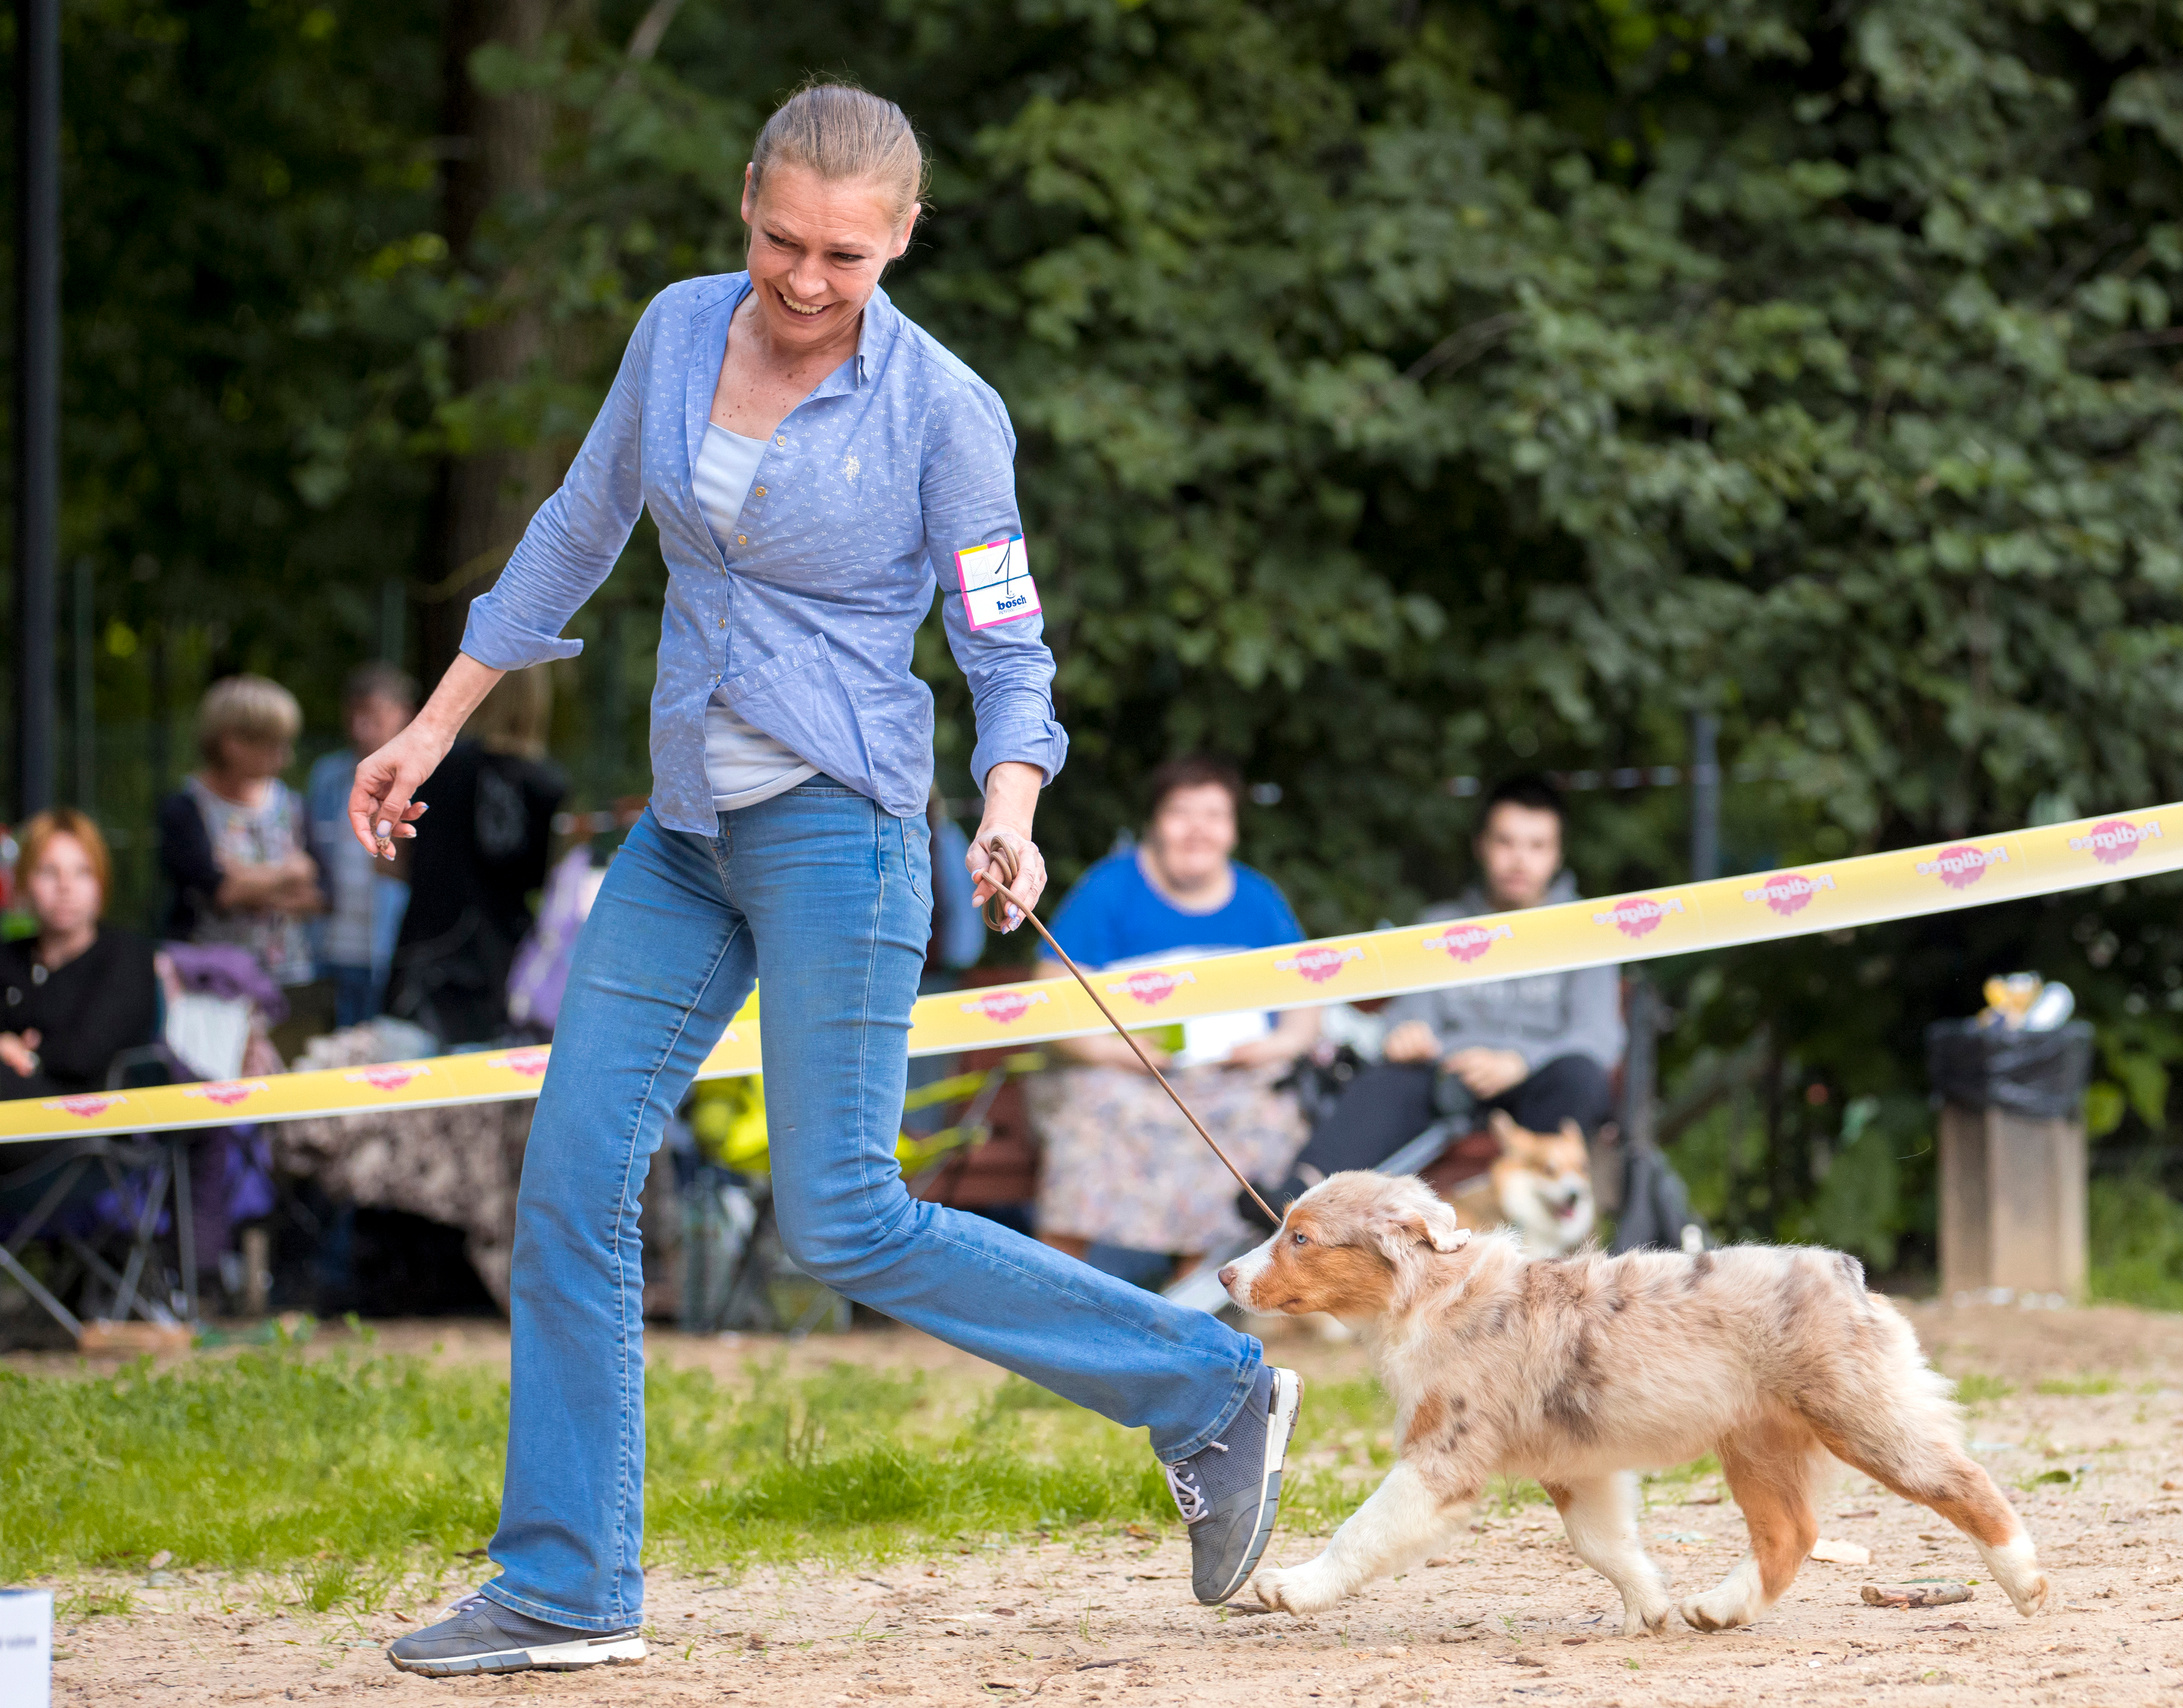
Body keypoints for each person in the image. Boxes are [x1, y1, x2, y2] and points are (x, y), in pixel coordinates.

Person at [354, 83, 1299, 1679]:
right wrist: (435, 731)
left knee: (841, 1216)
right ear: (745, 202)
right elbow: (581, 526)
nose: (805, 279)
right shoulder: (673, 331)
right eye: (782, 239)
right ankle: (569, 1584)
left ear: (905, 235)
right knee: (569, 1186)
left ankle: (1206, 1384)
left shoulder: (945, 410)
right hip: (682, 832)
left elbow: (1006, 642)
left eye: (845, 257)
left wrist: (1013, 802)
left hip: (845, 826)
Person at [1027, 756, 1318, 1285]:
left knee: (1265, 1115)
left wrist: (1277, 1047)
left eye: (1214, 814)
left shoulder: (1259, 900)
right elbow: (1052, 996)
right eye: (1181, 812)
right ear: (1155, 822)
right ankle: (1055, 1296)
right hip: (1120, 1071)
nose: (1197, 829)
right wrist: (1115, 1051)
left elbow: (1306, 999)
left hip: (1229, 1077)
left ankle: (1195, 1301)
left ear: (1232, 828)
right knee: (1092, 1111)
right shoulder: (1107, 890)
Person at [1269, 775, 1622, 1208]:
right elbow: (1409, 1018)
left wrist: (1517, 1062)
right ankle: (1298, 1196)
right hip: (1449, 1075)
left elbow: (1597, 1037)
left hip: (1539, 1078)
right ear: (1481, 845)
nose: (1519, 860)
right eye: (1506, 842)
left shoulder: (1587, 928)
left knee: (1579, 1075)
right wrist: (1405, 1036)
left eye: (1536, 846)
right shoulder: (1439, 923)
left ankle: (1541, 1217)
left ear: (1557, 853)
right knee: (1386, 1080)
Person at [381, 667, 568, 1046]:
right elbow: (553, 885)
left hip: (425, 947)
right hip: (503, 959)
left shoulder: (435, 767)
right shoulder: (547, 783)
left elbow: (392, 860)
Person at [158, 674, 327, 993]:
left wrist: (245, 880)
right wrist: (289, 872)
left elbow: (323, 896)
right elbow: (219, 891)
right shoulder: (185, 808)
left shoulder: (291, 804)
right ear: (232, 744)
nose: (285, 756)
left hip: (286, 978)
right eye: (273, 744)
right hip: (209, 980)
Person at [0, 810, 159, 1099]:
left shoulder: (128, 956)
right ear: (24, 883)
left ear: (100, 884)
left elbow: (83, 1056)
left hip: (96, 1126)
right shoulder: (8, 959)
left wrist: (18, 1053)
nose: (65, 886)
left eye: (82, 872)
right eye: (49, 871)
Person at [307, 663, 419, 1028]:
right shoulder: (326, 777)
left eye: (371, 714)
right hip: (326, 946)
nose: (359, 727)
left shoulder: (423, 781)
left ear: (402, 713)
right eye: (352, 715)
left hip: (388, 950)